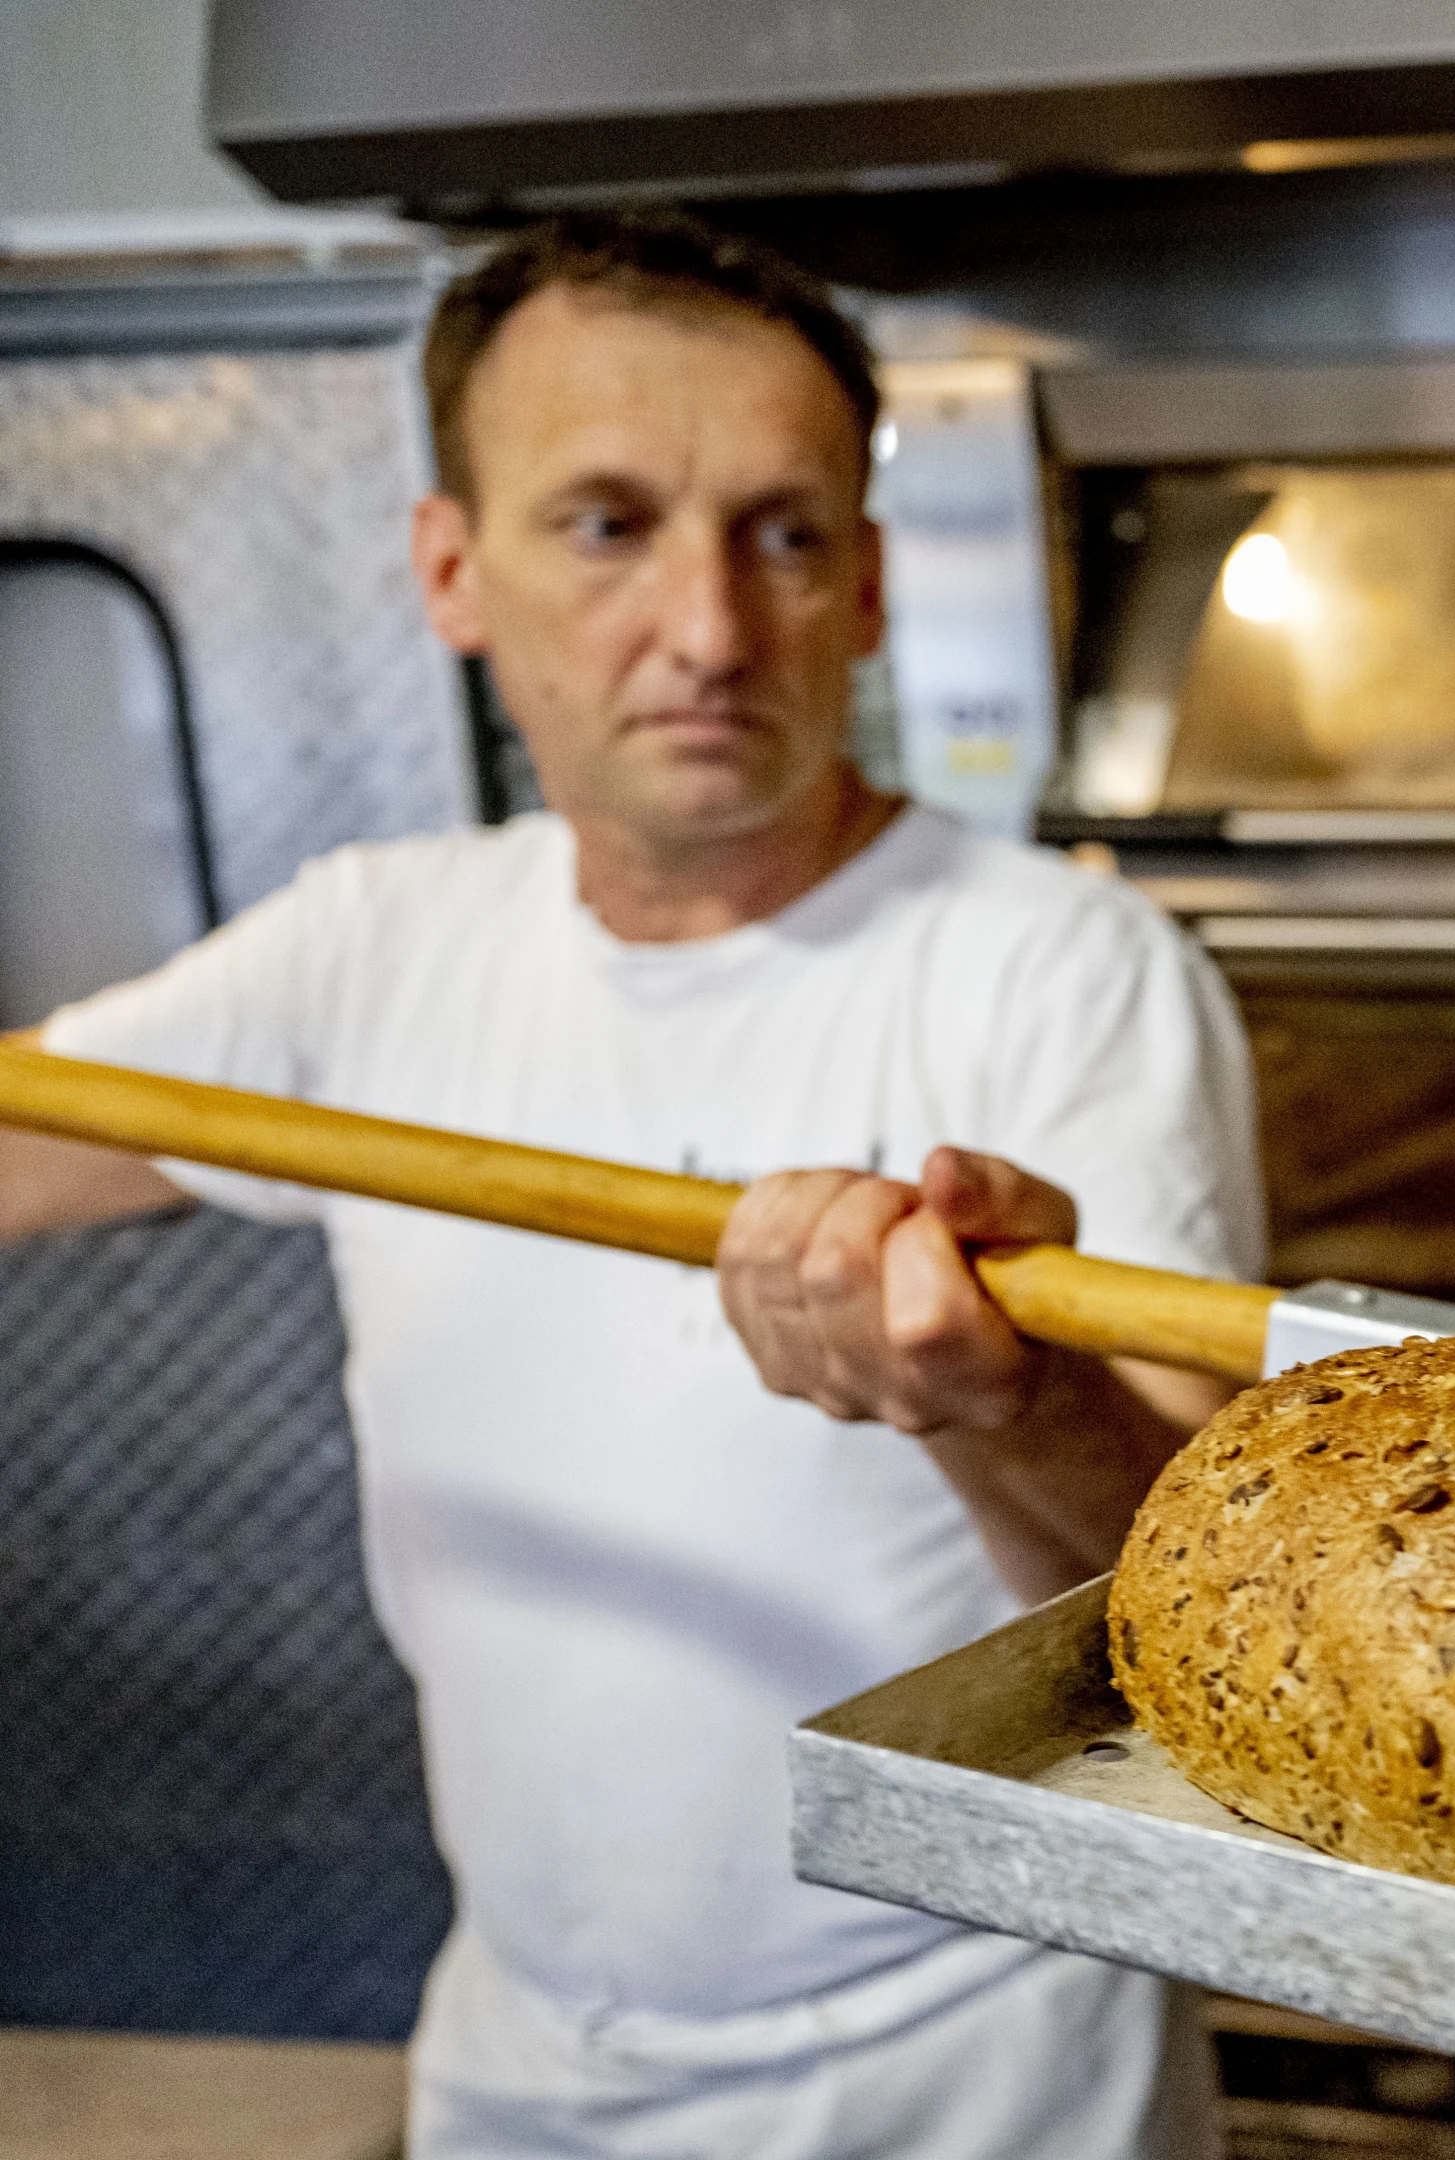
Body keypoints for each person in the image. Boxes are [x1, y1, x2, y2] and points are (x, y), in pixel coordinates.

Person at [0, 211, 1252, 2158]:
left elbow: (1201, 1648)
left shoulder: (1058, 973)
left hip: (976, 2091)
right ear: (451, 572)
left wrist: (1006, 1396)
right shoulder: (371, 944)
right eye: (605, 525)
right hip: (520, 2077)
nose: (707, 628)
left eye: (783, 531)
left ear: (869, 586)